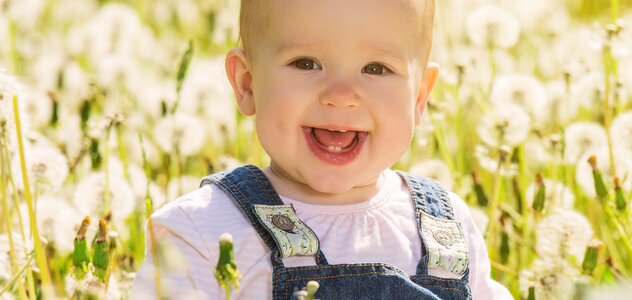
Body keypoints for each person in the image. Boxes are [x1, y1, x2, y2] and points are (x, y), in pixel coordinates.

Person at [132, 0, 513, 298]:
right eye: (306, 63)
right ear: (247, 84)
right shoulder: (201, 231)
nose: (340, 96)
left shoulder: (446, 230)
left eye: (376, 68)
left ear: (420, 96)